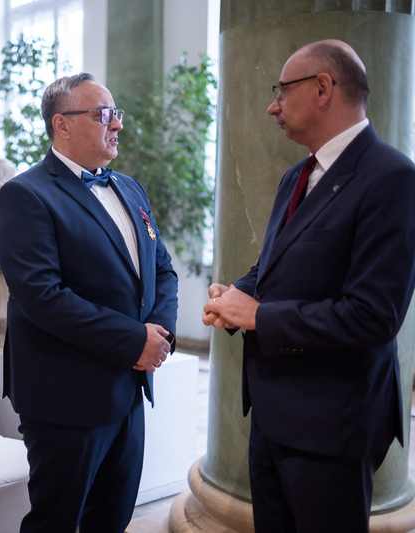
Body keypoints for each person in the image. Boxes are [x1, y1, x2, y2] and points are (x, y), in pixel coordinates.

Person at [203, 40, 415, 533]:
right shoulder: (297, 175)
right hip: (273, 416)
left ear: (323, 88)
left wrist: (256, 315)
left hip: (333, 426)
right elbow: (272, 268)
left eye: (282, 90)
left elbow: (373, 316)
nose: (273, 105)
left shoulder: (392, 178)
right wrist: (234, 295)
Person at [0, 73, 178, 533]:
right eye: (103, 115)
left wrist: (159, 334)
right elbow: (43, 298)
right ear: (63, 124)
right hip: (65, 396)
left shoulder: (129, 188)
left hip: (129, 389)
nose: (117, 125)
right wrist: (135, 339)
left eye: (117, 114)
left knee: (112, 519)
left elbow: (163, 269)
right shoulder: (26, 195)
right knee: (56, 521)